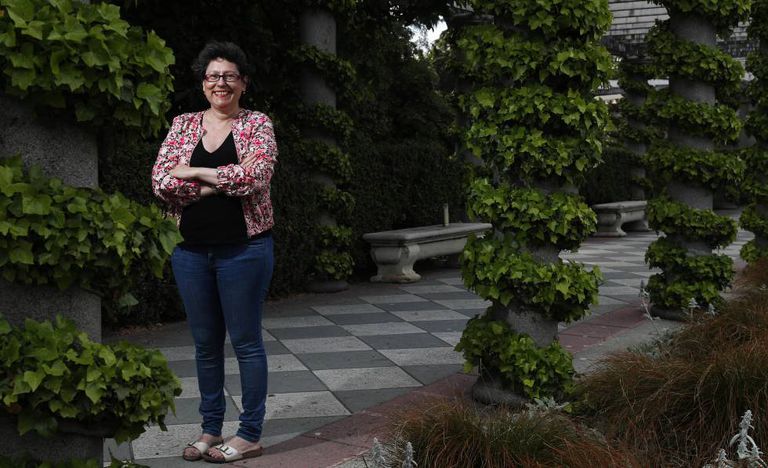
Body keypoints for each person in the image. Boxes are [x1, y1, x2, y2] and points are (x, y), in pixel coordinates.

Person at [151, 41, 276, 463]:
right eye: (212, 76)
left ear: (243, 82)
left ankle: (250, 433)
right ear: (203, 83)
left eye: (229, 76)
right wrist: (216, 183)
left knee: (246, 343)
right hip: (189, 252)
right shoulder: (183, 124)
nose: (220, 83)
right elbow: (161, 183)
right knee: (205, 346)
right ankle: (210, 429)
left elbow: (254, 178)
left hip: (244, 249)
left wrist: (193, 172)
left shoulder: (257, 123)